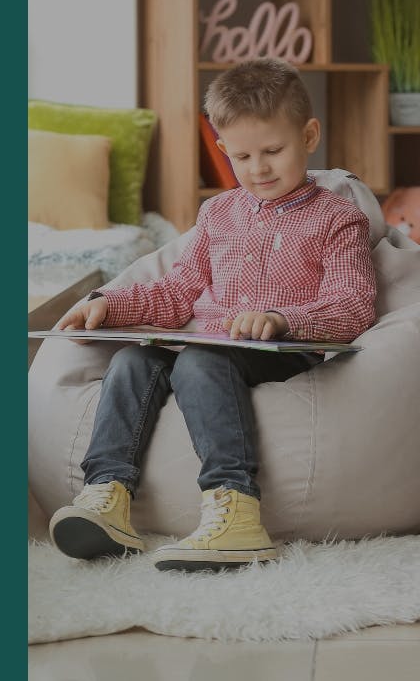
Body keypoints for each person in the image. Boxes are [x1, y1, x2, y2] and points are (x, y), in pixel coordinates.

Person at [47, 57, 377, 572]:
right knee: (134, 361)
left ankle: (237, 510)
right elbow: (177, 293)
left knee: (201, 362)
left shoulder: (338, 218)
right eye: (242, 156)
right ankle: (106, 496)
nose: (259, 168)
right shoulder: (218, 213)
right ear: (223, 149)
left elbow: (353, 305)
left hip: (282, 349)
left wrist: (281, 318)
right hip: (209, 344)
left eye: (274, 151)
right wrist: (110, 305)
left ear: (309, 135)